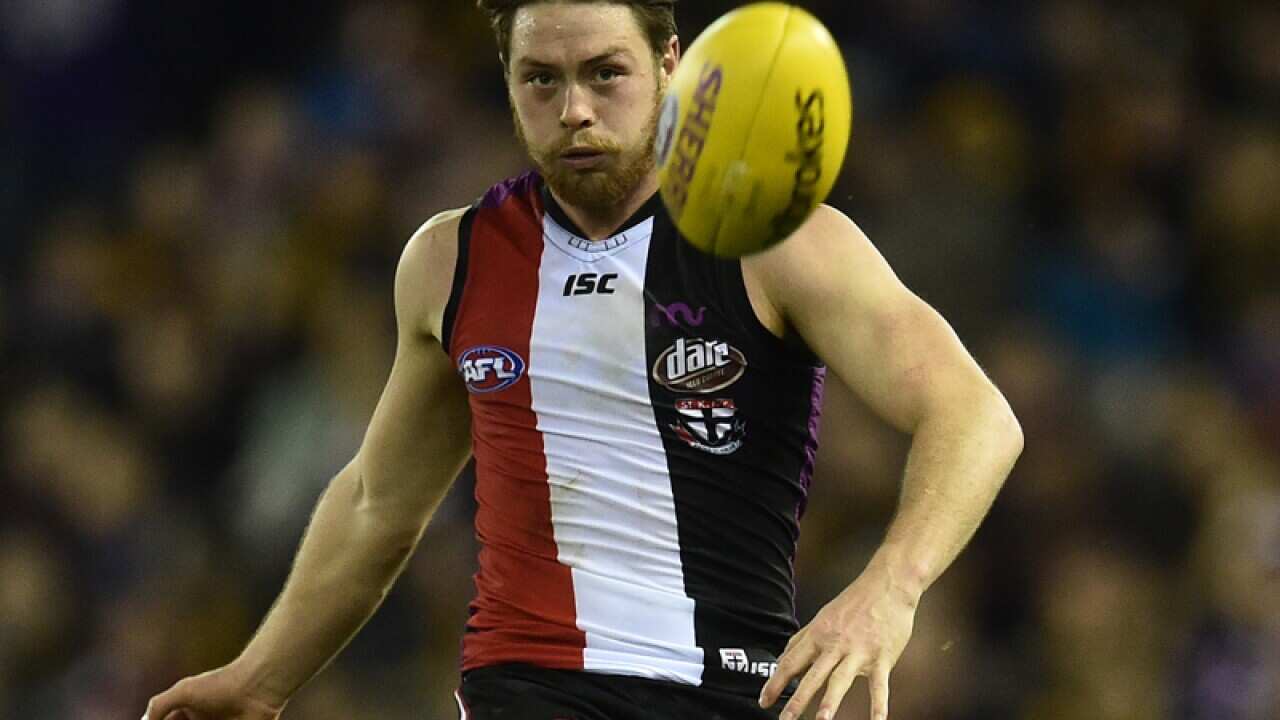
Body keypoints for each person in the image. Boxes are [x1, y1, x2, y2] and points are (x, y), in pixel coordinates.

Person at [145, 1, 1023, 719]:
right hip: (524, 687)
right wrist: (260, 678)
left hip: (726, 687)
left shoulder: (776, 239)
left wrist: (888, 591)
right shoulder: (451, 261)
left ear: (672, 66)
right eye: (543, 79)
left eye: (606, 73)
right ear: (510, 85)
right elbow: (380, 502)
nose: (575, 109)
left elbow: (976, 415)